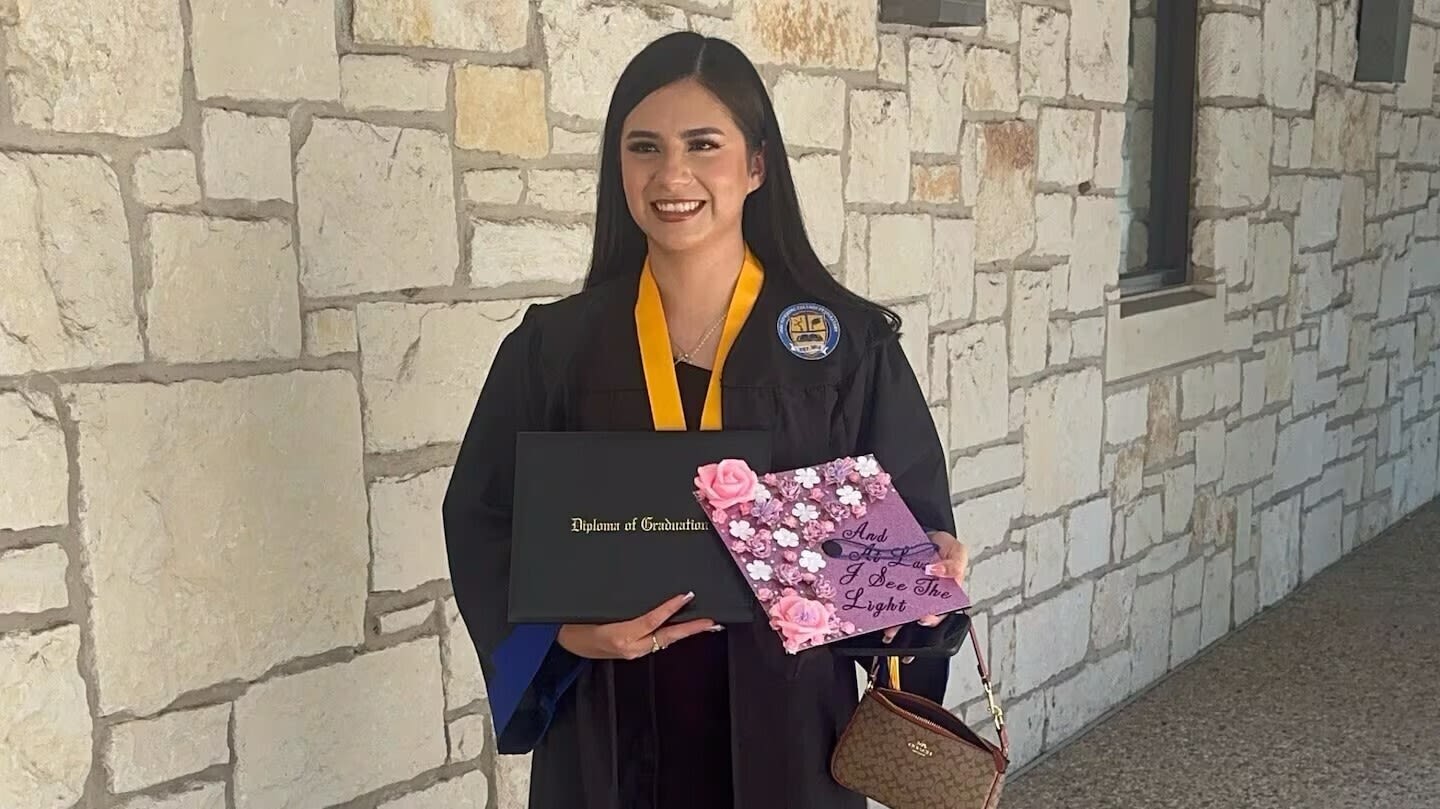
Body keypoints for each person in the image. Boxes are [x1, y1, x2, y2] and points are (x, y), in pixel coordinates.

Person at [443, 31, 971, 809]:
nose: (672, 175)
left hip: (792, 737)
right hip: (608, 733)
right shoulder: (554, 348)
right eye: (644, 147)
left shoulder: (840, 348)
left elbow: (909, 542)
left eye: (702, 145)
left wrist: (918, 588)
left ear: (757, 164)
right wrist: (563, 633)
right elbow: (483, 518)